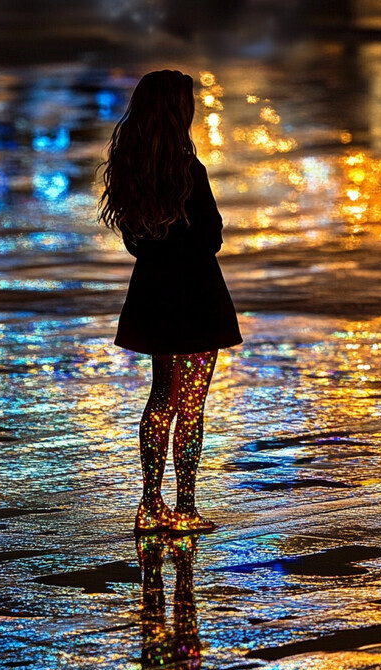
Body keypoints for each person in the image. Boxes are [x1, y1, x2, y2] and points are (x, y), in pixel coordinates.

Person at [98, 70, 242, 533]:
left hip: (154, 294)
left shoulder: (132, 172)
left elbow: (135, 243)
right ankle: (185, 506)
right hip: (197, 296)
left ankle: (148, 503)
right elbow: (211, 236)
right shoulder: (189, 170)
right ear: (179, 112)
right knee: (191, 404)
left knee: (161, 398)